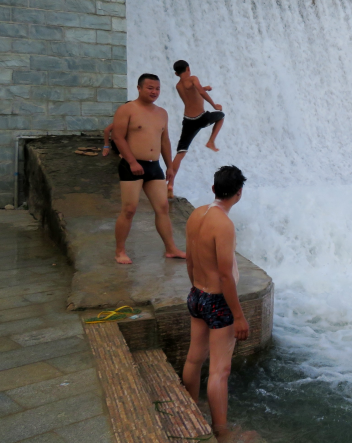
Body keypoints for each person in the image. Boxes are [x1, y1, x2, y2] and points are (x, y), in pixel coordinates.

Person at [182, 165, 249, 439]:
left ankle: (189, 412)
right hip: (218, 302)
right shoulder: (224, 224)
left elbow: (189, 257)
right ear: (239, 193)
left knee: (194, 359)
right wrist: (239, 316)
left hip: (196, 294)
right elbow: (224, 274)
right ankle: (221, 431)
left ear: (213, 189)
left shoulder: (197, 214)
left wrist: (196, 289)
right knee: (220, 370)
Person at [111, 74, 186, 264]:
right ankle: (120, 251)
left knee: (163, 207)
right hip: (132, 165)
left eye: (157, 88)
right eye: (150, 88)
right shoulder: (127, 109)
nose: (154, 92)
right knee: (129, 209)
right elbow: (118, 137)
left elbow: (164, 140)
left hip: (154, 166)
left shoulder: (162, 113)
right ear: (139, 88)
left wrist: (169, 166)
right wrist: (132, 162)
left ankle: (170, 248)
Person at [168, 60, 225, 197]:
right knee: (221, 115)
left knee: (181, 152)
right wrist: (214, 105)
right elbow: (199, 92)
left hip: (188, 121)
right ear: (188, 68)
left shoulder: (178, 86)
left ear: (176, 73)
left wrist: (204, 87)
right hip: (201, 118)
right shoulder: (193, 79)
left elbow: (191, 92)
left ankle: (170, 184)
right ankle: (211, 141)